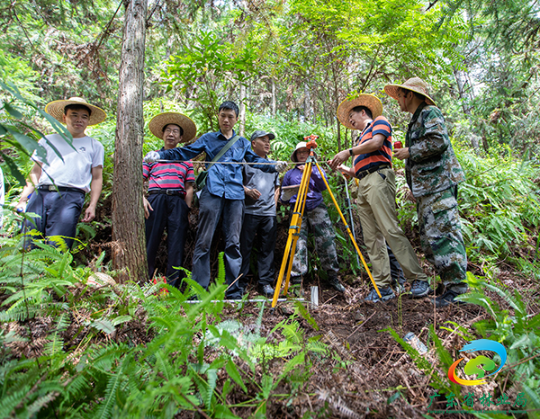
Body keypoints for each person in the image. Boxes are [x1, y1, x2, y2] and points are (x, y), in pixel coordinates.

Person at [144, 101, 288, 299]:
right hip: (212, 192)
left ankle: (233, 290)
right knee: (204, 240)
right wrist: (160, 155)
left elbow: (255, 160)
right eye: (223, 116)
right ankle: (198, 290)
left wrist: (274, 166)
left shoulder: (242, 142)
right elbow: (184, 152)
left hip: (236, 195)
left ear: (236, 119)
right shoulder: (209, 139)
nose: (226, 120)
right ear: (218, 117)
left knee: (233, 243)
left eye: (230, 116)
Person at [329, 94, 430, 302]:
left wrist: (348, 152)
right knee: (372, 238)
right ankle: (382, 286)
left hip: (379, 178)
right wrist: (345, 168)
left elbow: (377, 144)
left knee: (389, 228)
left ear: (363, 112)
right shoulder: (358, 140)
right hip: (363, 183)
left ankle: (418, 277)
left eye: (351, 116)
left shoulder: (379, 122)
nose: (350, 122)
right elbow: (358, 169)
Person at [384, 77, 468, 307]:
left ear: (409, 95)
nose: (398, 101)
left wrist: (410, 151)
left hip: (439, 186)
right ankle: (448, 285)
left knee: (444, 235)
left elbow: (438, 141)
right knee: (430, 238)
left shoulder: (430, 113)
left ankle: (458, 290)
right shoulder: (417, 118)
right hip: (427, 189)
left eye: (399, 96)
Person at [16, 97, 105, 249]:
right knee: (30, 242)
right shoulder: (47, 140)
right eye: (74, 115)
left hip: (70, 197)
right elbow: (35, 172)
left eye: (84, 117)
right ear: (64, 117)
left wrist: (92, 205)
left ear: (88, 121)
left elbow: (97, 178)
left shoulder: (94, 145)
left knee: (59, 245)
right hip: (41, 194)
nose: (79, 120)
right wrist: (23, 199)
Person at [282, 142, 346, 293]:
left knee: (327, 239)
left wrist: (311, 172)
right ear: (295, 155)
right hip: (297, 209)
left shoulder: (317, 169)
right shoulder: (290, 174)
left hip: (316, 206)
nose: (302, 155)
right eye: (299, 153)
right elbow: (284, 198)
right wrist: (287, 194)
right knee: (297, 243)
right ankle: (297, 281)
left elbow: (324, 187)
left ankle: (332, 277)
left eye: (305, 152)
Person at [143, 112, 196, 287]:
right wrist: (142, 199)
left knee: (176, 244)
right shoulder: (152, 156)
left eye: (175, 131)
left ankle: (172, 286)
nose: (171, 134)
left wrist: (187, 210)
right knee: (151, 241)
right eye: (168, 131)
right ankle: (145, 283)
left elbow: (189, 187)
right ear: (163, 134)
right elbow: (139, 181)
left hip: (177, 202)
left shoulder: (186, 160)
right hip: (155, 200)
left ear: (180, 137)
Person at [239, 130, 280, 298]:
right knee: (244, 247)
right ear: (253, 144)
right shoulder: (245, 162)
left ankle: (265, 283)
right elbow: (236, 182)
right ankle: (240, 282)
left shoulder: (274, 165)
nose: (267, 143)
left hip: (268, 213)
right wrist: (247, 191)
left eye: (268, 140)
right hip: (249, 211)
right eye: (263, 140)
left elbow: (277, 187)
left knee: (267, 248)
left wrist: (273, 207)